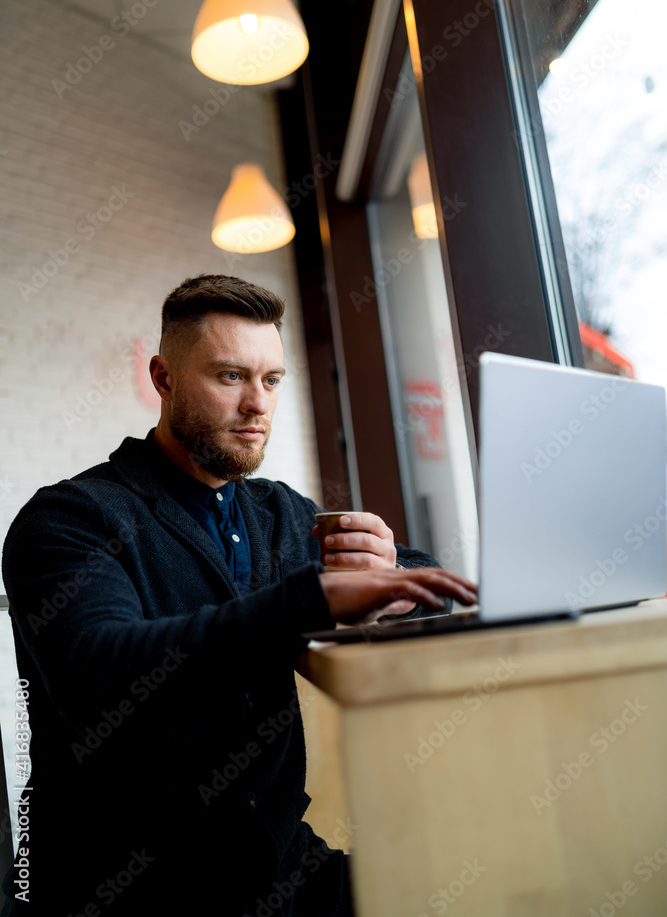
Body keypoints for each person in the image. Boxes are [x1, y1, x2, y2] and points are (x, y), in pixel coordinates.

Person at [1, 274, 477, 916]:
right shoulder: (70, 518)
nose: (258, 404)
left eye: (272, 380)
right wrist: (314, 600)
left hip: (278, 866)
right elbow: (100, 669)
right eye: (230, 377)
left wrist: (393, 575)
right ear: (163, 377)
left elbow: (418, 576)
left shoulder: (277, 513)